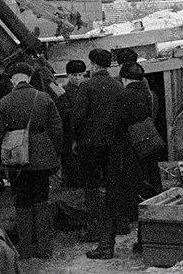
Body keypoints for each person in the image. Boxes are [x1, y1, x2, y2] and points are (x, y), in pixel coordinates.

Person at [0, 62, 63, 259]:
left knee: (22, 200)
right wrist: (53, 154)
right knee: (41, 198)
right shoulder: (44, 98)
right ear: (29, 78)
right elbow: (57, 129)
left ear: (13, 80)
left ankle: (26, 249)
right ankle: (44, 248)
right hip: (41, 159)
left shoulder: (5, 101)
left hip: (16, 159)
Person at [86, 62, 152, 259]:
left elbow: (113, 124)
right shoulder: (147, 95)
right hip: (143, 152)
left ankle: (106, 248)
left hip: (123, 154)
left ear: (124, 78)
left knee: (112, 201)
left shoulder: (123, 96)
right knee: (143, 196)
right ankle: (143, 242)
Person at [71, 48, 121, 241]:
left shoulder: (87, 87)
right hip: (112, 143)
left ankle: (93, 230)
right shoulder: (117, 86)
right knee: (112, 184)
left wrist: (76, 138)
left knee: (91, 186)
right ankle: (116, 226)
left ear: (93, 65)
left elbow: (78, 117)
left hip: (90, 144)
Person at [59, 59, 86, 187]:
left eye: (80, 75)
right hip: (70, 134)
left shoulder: (87, 88)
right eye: (74, 75)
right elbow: (64, 113)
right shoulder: (63, 91)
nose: (78, 78)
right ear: (68, 76)